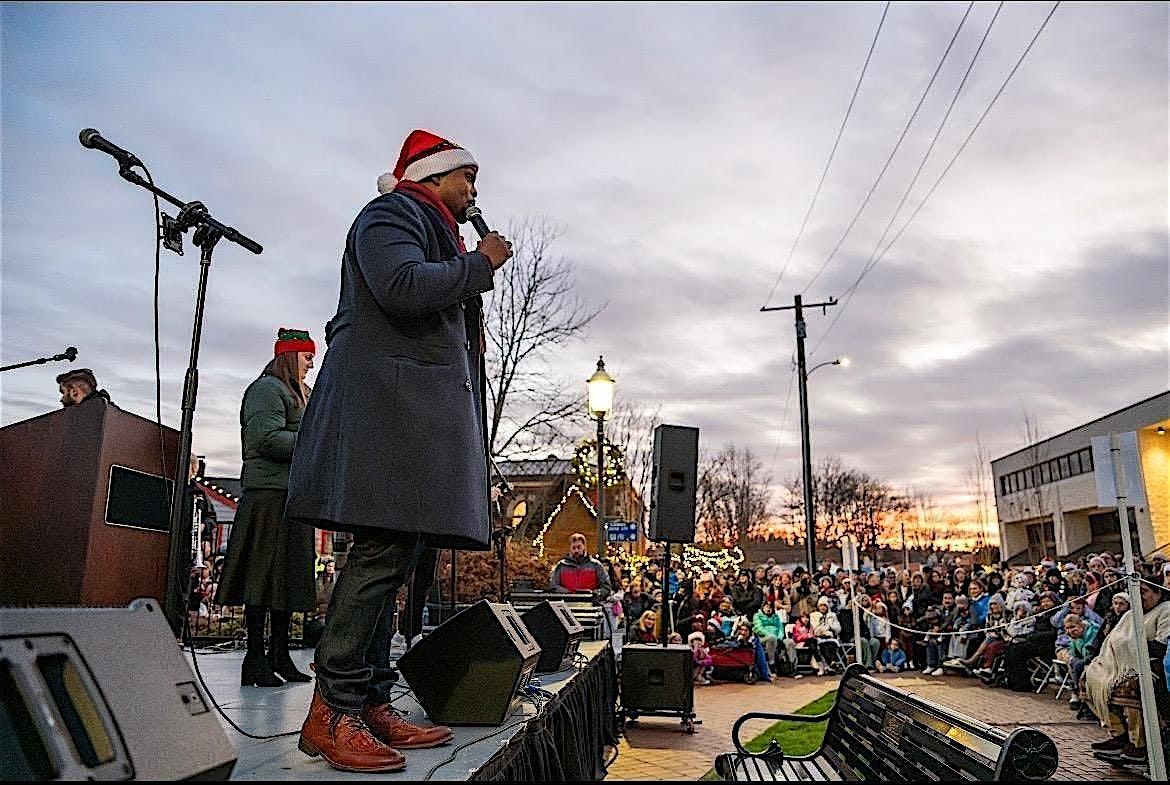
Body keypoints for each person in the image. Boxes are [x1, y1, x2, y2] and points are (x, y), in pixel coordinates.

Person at [285, 130, 509, 772]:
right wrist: (479, 264)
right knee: (382, 549)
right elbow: (402, 287)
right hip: (388, 414)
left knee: (401, 553)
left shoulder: (431, 227)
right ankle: (332, 710)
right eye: (468, 178)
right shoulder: (390, 214)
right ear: (435, 175)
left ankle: (371, 699)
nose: (473, 192)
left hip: (409, 417)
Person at [214, 329, 317, 689]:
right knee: (262, 578)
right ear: (290, 355)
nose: (311, 364)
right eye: (306, 357)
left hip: (293, 496)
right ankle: (254, 657)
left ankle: (279, 654)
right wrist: (315, 440)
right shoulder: (266, 389)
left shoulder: (301, 393)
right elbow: (265, 439)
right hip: (268, 496)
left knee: (283, 579)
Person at [1084, 580, 1170, 763]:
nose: (1138, 596)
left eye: (1144, 591)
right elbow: (1112, 640)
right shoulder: (1130, 614)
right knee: (1089, 676)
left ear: (1158, 593)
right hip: (1119, 664)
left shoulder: (1166, 610)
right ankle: (1119, 734)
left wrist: (1132, 648)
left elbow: (1161, 645)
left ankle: (1138, 744)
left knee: (1127, 686)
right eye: (1135, 592)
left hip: (1150, 666)